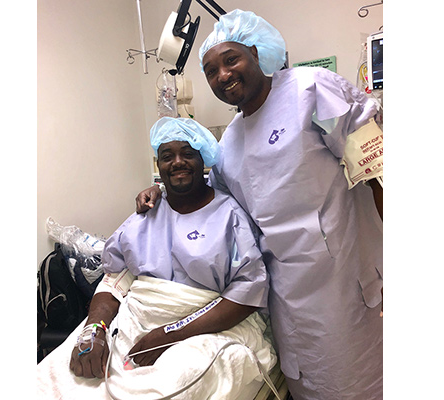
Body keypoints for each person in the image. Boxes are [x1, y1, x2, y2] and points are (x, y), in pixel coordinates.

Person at [135, 9, 383, 400]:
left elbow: (376, 170)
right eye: (211, 70)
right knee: (306, 382)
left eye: (231, 60)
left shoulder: (311, 89)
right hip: (285, 292)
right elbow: (210, 200)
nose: (223, 75)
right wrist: (160, 193)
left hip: (343, 277)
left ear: (257, 52)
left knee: (361, 380)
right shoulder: (228, 145)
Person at [62, 116, 274, 399]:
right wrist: (94, 329)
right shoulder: (146, 215)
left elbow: (247, 293)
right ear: (158, 165)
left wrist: (170, 334)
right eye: (167, 156)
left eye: (188, 154)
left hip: (210, 327)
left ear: (203, 161)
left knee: (170, 387)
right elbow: (115, 280)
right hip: (137, 316)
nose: (177, 162)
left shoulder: (229, 217)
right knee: (67, 380)